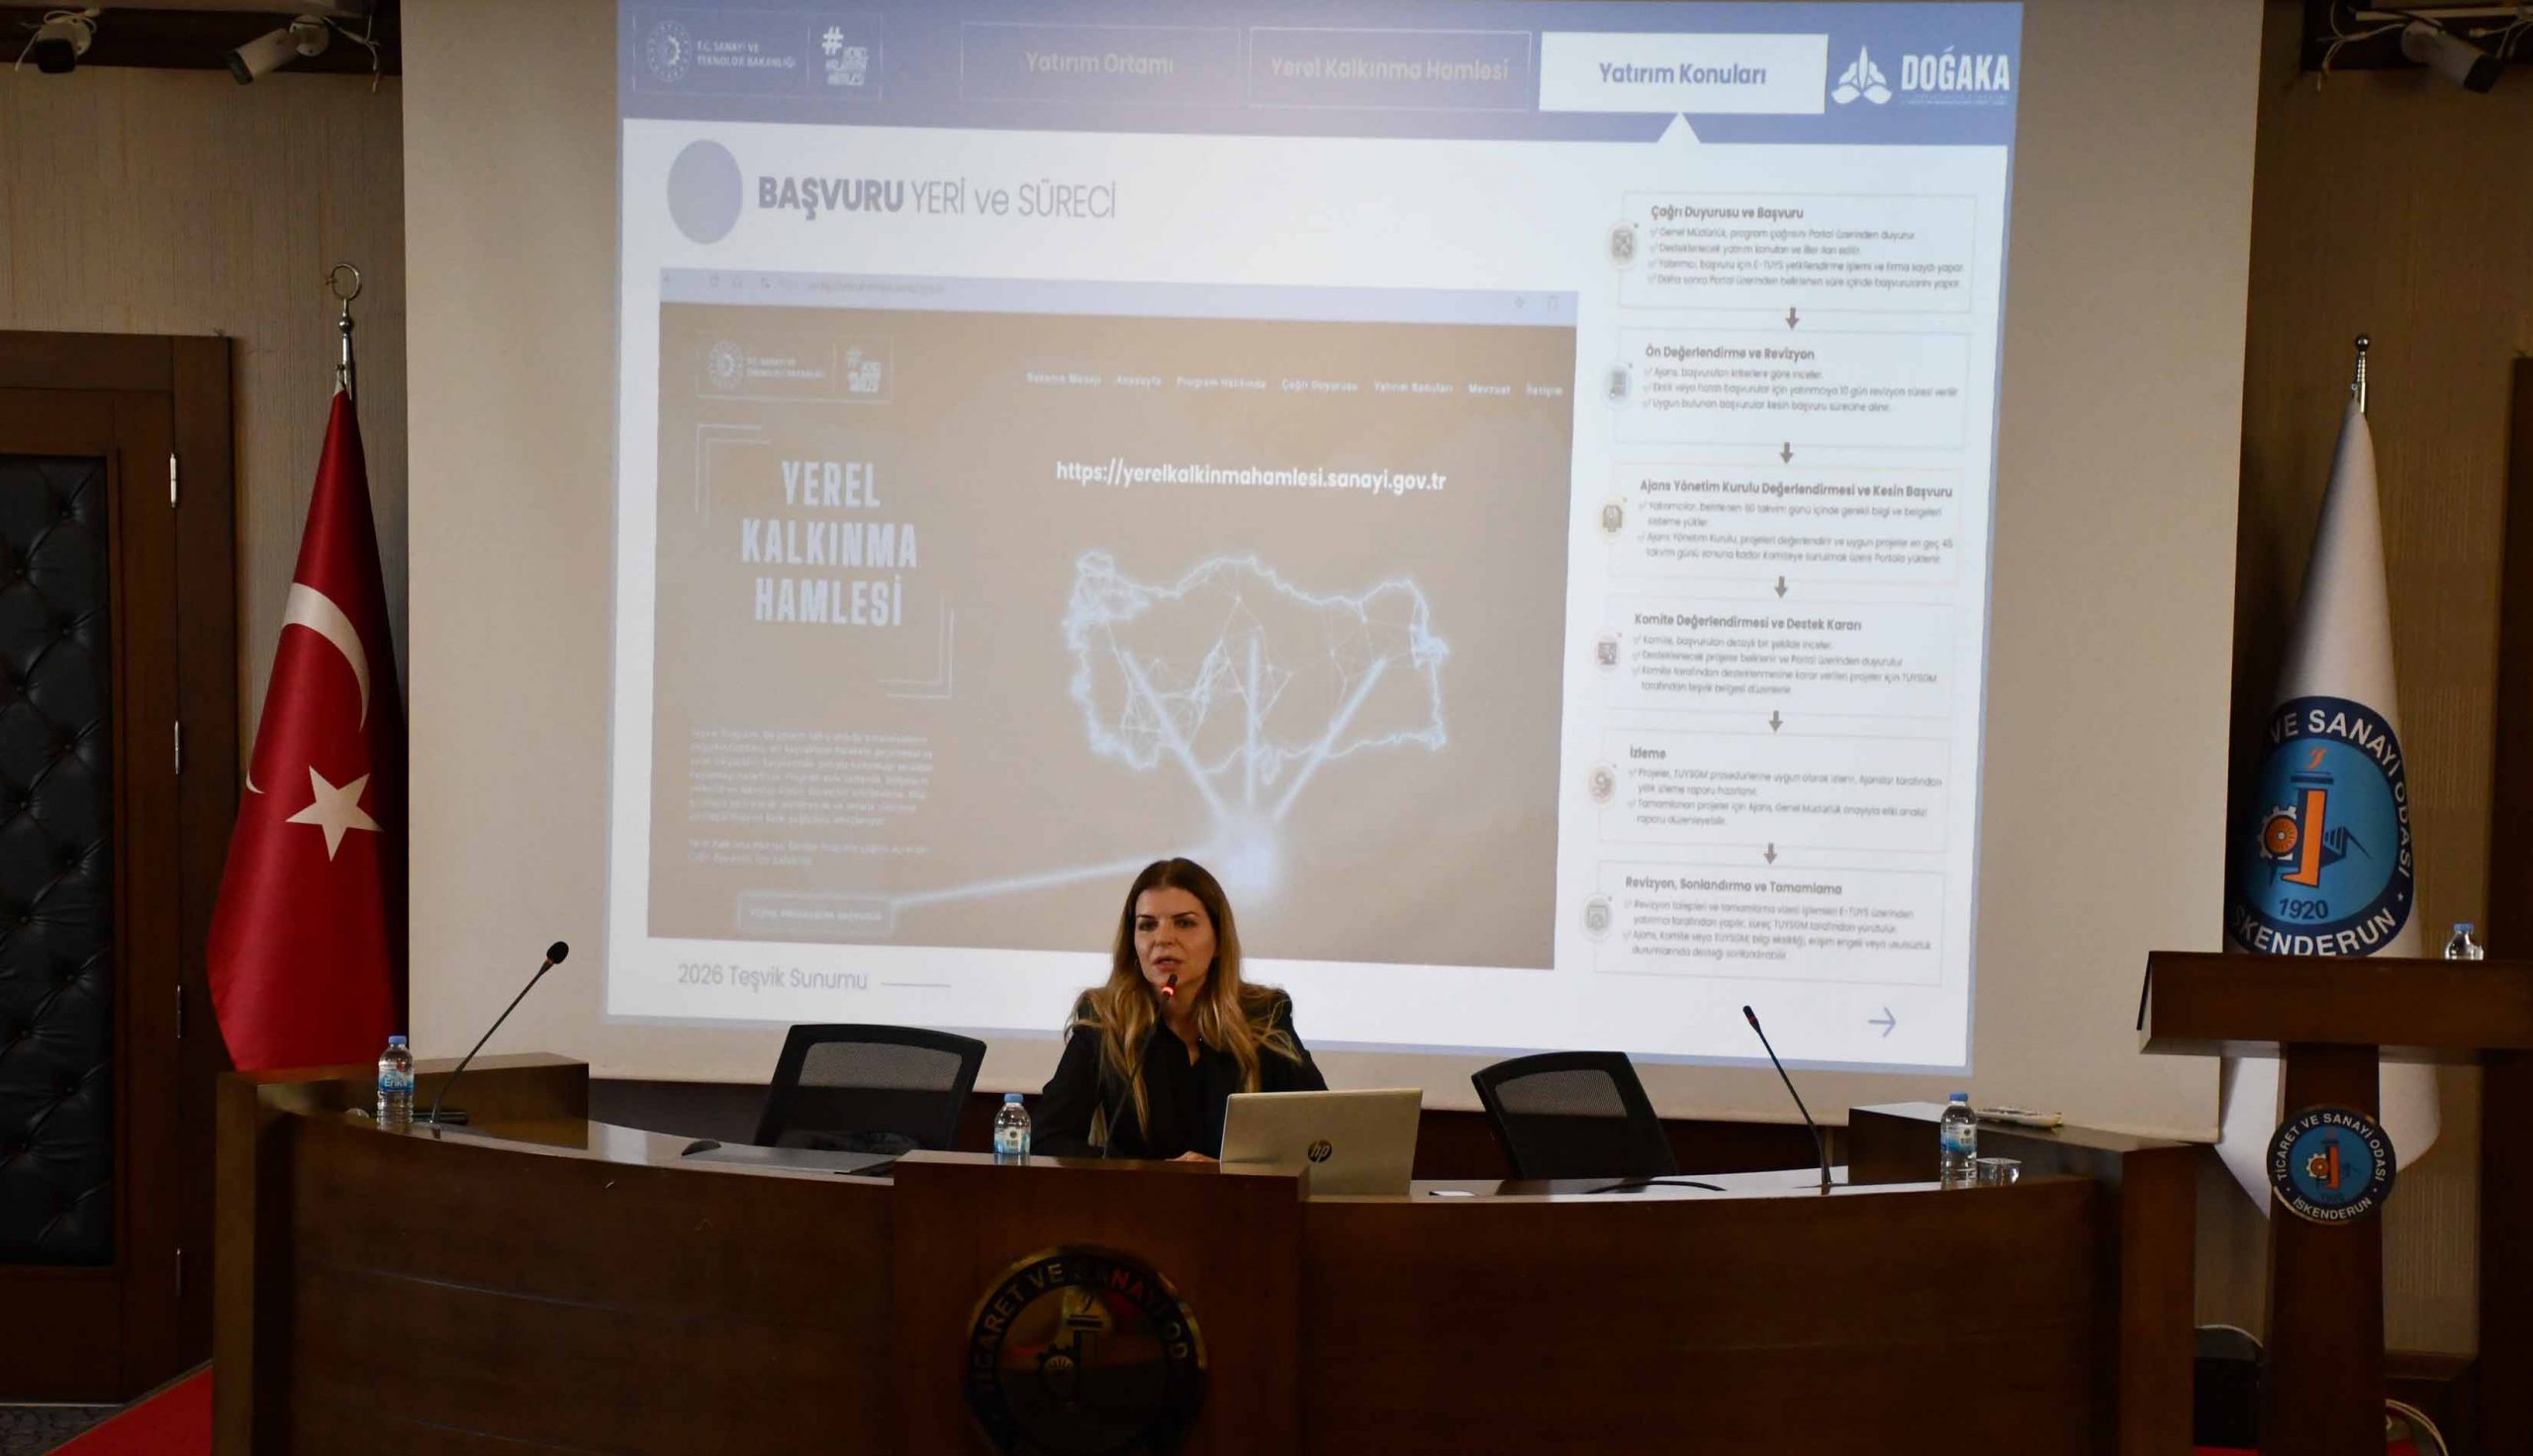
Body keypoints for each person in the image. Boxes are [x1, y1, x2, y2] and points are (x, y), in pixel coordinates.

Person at [1035, 858, 1325, 1159]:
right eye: (1147, 925)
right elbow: (1047, 1138)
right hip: (1141, 1191)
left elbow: (1322, 1136)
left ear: (1219, 941)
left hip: (1240, 1190)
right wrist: (1155, 1175)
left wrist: (1227, 1174)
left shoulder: (1263, 1016)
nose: (1162, 939)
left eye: (1184, 923)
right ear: (1132, 944)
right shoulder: (1105, 1020)